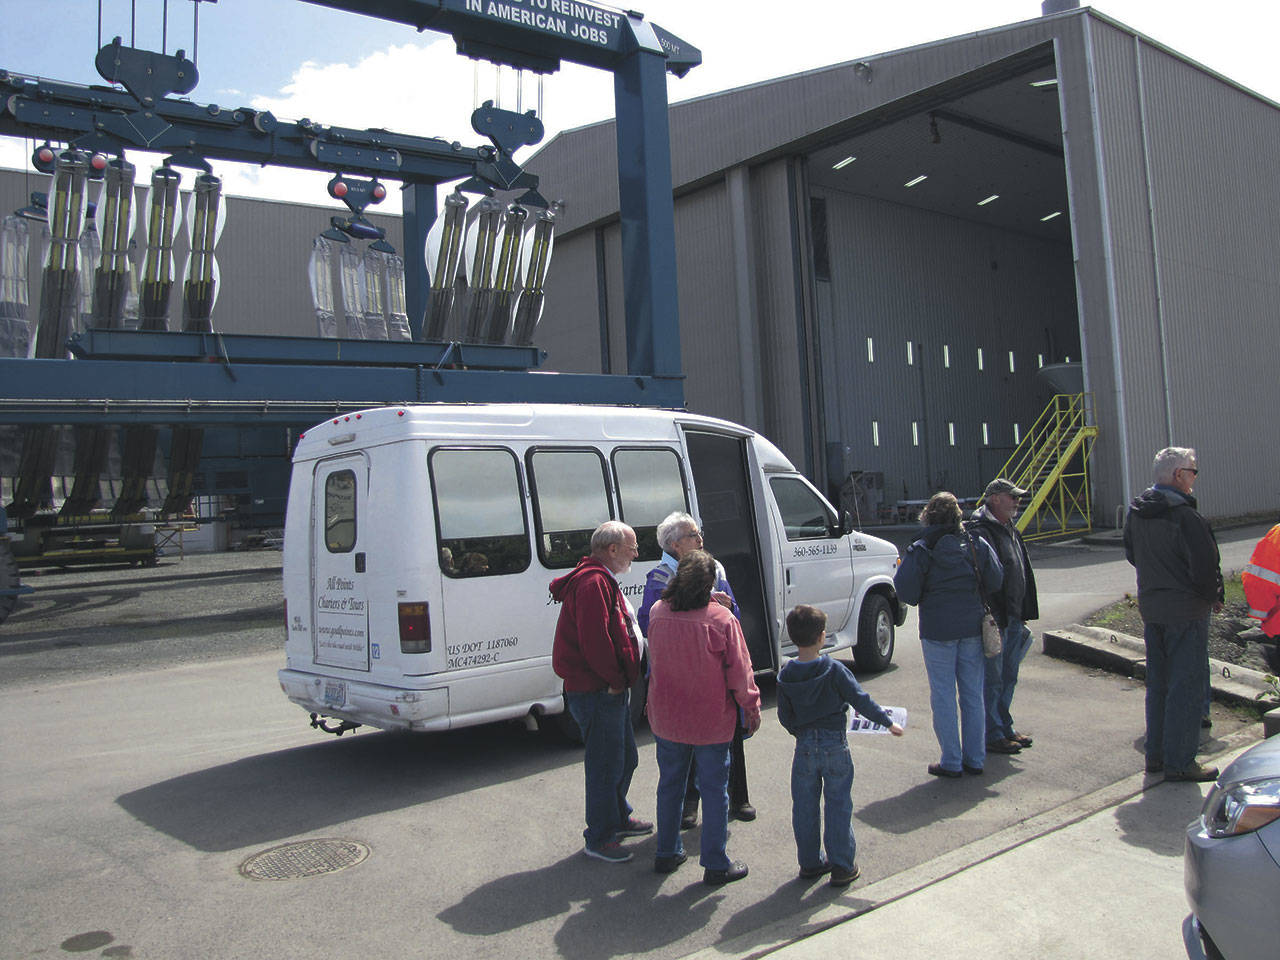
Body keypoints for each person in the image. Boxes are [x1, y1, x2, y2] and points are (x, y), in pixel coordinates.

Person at [646, 549, 761, 885]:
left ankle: (666, 852)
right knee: (714, 790)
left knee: (670, 785)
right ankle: (714, 862)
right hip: (710, 719)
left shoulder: (657, 611)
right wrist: (751, 708)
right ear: (711, 582)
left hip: (667, 716)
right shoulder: (721, 619)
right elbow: (741, 674)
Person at [638, 511, 755, 826]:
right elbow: (649, 622)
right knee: (687, 742)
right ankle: (690, 805)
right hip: (683, 671)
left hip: (717, 667)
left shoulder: (715, 569)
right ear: (675, 545)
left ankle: (739, 799)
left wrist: (728, 608)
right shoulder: (660, 577)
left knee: (730, 736)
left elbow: (735, 610)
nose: (700, 539)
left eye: (699, 533)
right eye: (693, 535)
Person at [777, 604, 904, 888]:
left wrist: (798, 730)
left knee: (805, 807)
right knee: (838, 804)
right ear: (822, 637)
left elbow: (785, 715)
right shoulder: (834, 670)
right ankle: (842, 865)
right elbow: (860, 700)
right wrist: (886, 722)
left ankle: (810, 863)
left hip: (805, 747)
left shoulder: (786, 675)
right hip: (835, 743)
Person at [550, 520, 653, 862]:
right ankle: (601, 836)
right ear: (612, 550)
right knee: (606, 764)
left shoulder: (598, 578)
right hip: (598, 691)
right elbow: (596, 642)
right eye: (632, 548)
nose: (635, 555)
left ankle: (617, 818)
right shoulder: (593, 582)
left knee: (624, 757)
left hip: (607, 689)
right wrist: (615, 679)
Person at [1123, 446, 1224, 783]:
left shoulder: (1137, 512)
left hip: (1154, 608)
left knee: (1160, 683)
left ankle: (1157, 754)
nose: (1195, 477)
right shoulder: (1185, 515)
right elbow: (1205, 566)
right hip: (1186, 610)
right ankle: (1181, 761)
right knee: (1187, 685)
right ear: (1179, 475)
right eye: (1193, 471)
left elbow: (1133, 554)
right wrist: (1213, 597)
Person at [894, 491, 1002, 778]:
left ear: (928, 515)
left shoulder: (922, 548)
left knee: (943, 695)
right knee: (972, 694)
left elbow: (905, 591)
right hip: (972, 627)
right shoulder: (975, 543)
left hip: (937, 630)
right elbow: (996, 578)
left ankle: (951, 760)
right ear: (958, 516)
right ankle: (975, 759)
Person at [966, 478, 1040, 756]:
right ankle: (993, 733)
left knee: (1009, 676)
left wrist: (1023, 612)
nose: (1017, 502)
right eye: (1012, 497)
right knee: (993, 679)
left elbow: (1022, 572)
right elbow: (986, 577)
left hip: (1013, 617)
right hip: (995, 619)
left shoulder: (1009, 528)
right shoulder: (980, 530)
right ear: (995, 499)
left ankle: (1004, 726)